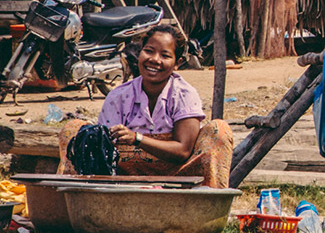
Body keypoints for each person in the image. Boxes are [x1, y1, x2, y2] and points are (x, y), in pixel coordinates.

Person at [58, 25, 233, 187]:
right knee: (73, 129)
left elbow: (183, 150)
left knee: (220, 129)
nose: (154, 60)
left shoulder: (184, 94)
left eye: (165, 55)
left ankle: (209, 204)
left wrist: (137, 138)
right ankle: (77, 201)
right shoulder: (119, 96)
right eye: (149, 51)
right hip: (121, 176)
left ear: (177, 63)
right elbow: (104, 148)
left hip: (178, 173)